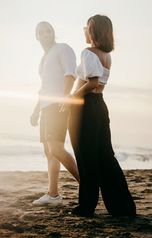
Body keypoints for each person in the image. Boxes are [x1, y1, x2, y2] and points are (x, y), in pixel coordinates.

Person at [69, 15, 136, 217]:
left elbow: (92, 83)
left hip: (86, 106)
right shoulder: (106, 55)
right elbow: (99, 84)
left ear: (94, 31)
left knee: (85, 156)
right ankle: (123, 207)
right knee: (106, 157)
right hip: (100, 106)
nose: (84, 30)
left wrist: (71, 98)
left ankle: (86, 207)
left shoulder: (88, 53)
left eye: (87, 27)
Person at [30, 21, 79, 206]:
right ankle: (53, 195)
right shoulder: (43, 59)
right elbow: (44, 89)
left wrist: (65, 99)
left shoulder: (62, 49)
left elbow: (70, 74)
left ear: (53, 32)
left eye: (48, 30)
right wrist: (36, 111)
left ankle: (87, 185)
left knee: (56, 148)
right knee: (49, 152)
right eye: (41, 32)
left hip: (58, 105)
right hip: (45, 108)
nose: (45, 34)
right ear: (37, 36)